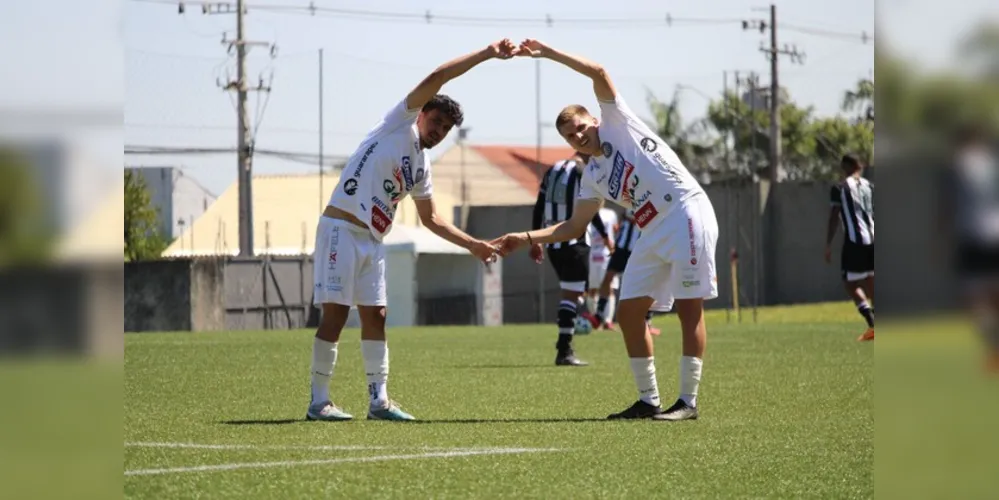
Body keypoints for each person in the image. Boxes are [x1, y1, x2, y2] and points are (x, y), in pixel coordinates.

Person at [494, 39, 719, 421]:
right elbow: (574, 226)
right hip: (652, 229)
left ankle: (687, 402)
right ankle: (648, 400)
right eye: (569, 135)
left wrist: (548, 54)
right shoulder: (592, 175)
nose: (577, 136)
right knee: (629, 313)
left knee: (688, 309)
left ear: (594, 121)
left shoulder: (618, 122)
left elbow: (598, 72)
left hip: (684, 211)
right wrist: (527, 237)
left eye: (580, 128)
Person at [307, 40, 515, 422]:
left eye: (446, 129)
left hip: (372, 240)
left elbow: (431, 218)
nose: (439, 131)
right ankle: (319, 402)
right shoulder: (396, 123)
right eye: (436, 121)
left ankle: (379, 402)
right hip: (341, 229)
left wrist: (474, 245)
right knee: (335, 315)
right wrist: (487, 54)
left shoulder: (422, 166)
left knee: (378, 315)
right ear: (422, 114)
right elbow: (439, 76)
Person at [530, 153, 613, 366]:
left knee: (574, 293)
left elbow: (539, 204)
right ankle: (564, 349)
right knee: (572, 295)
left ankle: (566, 340)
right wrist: (605, 236)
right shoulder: (583, 171)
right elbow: (590, 210)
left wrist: (535, 239)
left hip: (552, 244)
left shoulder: (552, 169)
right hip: (575, 242)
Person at [825, 154, 875, 342]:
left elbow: (833, 218)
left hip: (854, 241)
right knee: (871, 279)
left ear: (845, 167)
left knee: (850, 282)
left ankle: (872, 321)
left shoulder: (839, 188)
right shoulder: (870, 187)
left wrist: (828, 244)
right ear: (859, 166)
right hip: (873, 239)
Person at [590, 209, 662, 336]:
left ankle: (647, 320)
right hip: (622, 247)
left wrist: (635, 218)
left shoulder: (652, 195)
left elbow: (649, 218)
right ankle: (599, 315)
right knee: (608, 278)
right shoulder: (628, 194)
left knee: (648, 284)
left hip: (639, 248)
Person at [585, 206, 618, 329]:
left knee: (609, 287)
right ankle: (595, 320)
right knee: (592, 289)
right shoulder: (587, 211)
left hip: (607, 255)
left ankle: (608, 321)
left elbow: (615, 229)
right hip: (591, 254)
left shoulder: (611, 213)